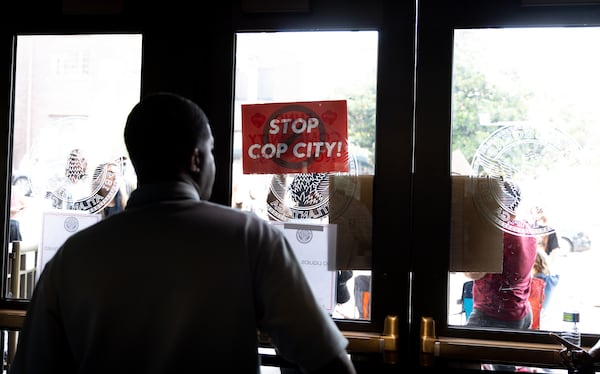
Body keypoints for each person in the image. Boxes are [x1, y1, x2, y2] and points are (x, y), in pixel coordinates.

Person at [10, 92, 356, 374]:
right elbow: (327, 362)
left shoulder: (74, 255)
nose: (213, 163)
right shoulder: (250, 238)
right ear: (195, 159)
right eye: (211, 151)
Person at [465, 181, 538, 330]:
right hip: (522, 311)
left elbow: (474, 273)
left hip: (494, 315)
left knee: (462, 350)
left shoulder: (496, 233)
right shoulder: (525, 228)